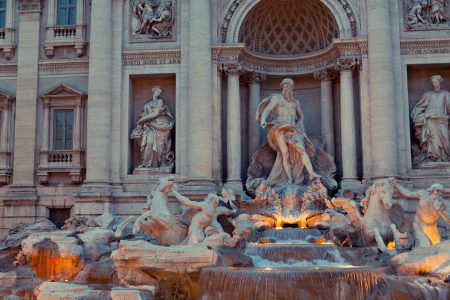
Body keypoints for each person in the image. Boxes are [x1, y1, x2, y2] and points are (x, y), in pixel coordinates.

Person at [256, 78, 320, 185]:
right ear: (282, 87)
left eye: (288, 85)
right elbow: (268, 110)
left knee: (302, 150)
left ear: (292, 87)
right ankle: (289, 179)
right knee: (284, 154)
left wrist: (300, 124)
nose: (286, 87)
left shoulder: (296, 102)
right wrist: (263, 120)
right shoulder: (277, 98)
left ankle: (311, 173)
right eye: (284, 85)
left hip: (293, 129)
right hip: (280, 128)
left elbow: (301, 116)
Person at [393, 180, 450, 247]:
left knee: (437, 246)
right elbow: (408, 193)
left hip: (432, 226)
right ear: (432, 190)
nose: (438, 195)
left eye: (440, 193)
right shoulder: (423, 194)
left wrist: (441, 211)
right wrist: (396, 185)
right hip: (419, 224)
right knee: (425, 245)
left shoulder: (443, 203)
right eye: (437, 192)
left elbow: (448, 219)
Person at [132, 86, 174, 168]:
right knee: (149, 142)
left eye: (160, 92)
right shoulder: (147, 104)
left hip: (162, 125)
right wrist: (141, 122)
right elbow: (143, 115)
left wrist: (143, 119)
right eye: (157, 92)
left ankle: (156, 164)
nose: (159, 94)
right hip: (150, 126)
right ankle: (146, 163)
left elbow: (156, 113)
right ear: (153, 91)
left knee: (160, 147)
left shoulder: (160, 101)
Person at [411, 75, 450, 162]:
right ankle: (434, 157)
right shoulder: (428, 94)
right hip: (430, 119)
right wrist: (417, 115)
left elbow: (449, 107)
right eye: (433, 82)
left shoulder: (446, 94)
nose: (434, 84)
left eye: (436, 82)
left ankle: (445, 157)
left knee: (445, 137)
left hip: (442, 119)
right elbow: (420, 106)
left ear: (440, 82)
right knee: (432, 138)